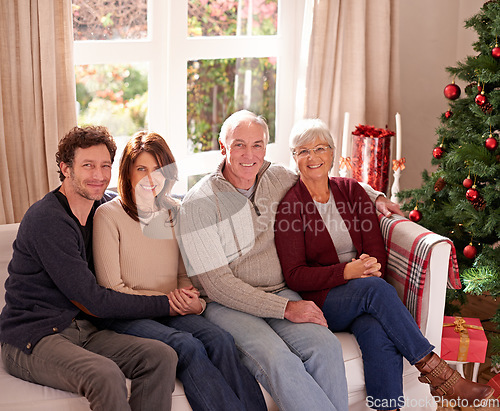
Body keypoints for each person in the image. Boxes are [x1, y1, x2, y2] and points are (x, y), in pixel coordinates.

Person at [178, 110, 402, 411]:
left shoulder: (276, 178)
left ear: (266, 147)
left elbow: (321, 176)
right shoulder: (198, 204)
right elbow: (218, 287)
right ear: (222, 147)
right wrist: (286, 308)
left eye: (257, 145)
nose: (249, 154)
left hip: (280, 290)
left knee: (325, 347)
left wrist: (376, 197)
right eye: (239, 145)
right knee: (280, 360)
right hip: (227, 305)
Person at [274, 118, 495, 411]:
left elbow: (375, 249)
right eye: (302, 151)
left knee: (376, 330)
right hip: (323, 299)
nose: (312, 158)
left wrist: (369, 267)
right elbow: (295, 276)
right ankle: (441, 374)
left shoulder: (351, 191)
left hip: (364, 294)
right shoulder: (290, 207)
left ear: (332, 153)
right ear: (294, 158)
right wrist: (346, 272)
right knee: (375, 291)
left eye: (319, 148)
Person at [0, 126, 179, 411]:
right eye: (88, 165)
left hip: (83, 329)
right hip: (34, 337)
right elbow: (92, 300)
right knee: (105, 375)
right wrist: (167, 304)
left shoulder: (104, 208)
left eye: (105, 165)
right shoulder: (48, 220)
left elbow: (147, 213)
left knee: (162, 356)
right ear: (65, 168)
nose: (98, 175)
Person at [93, 130, 267, 411]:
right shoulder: (108, 215)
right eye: (141, 169)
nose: (151, 178)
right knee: (188, 347)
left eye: (159, 170)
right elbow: (111, 288)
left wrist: (193, 301)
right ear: (127, 172)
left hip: (170, 308)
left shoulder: (176, 211)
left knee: (221, 340)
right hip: (125, 314)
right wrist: (167, 302)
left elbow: (185, 276)